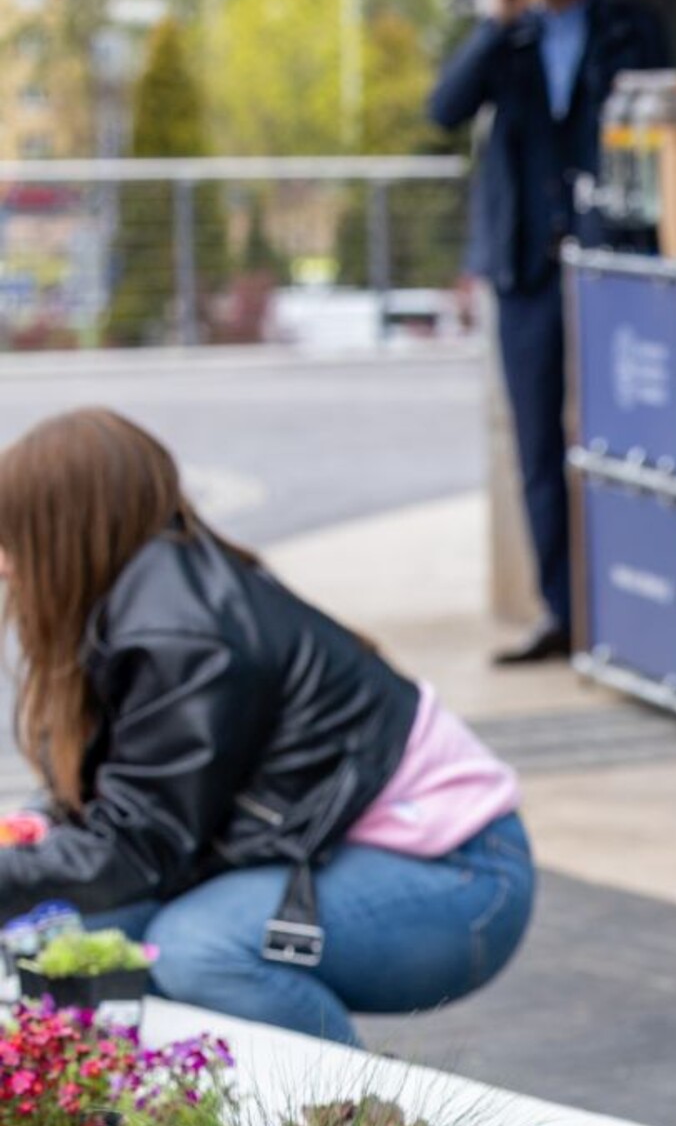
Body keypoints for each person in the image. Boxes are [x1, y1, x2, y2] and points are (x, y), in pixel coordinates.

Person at [0, 411, 535, 1047]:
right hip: (358, 852)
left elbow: (137, 847)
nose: (5, 566)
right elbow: (130, 807)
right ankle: (187, 1120)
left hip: (462, 877)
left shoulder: (184, 636)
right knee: (74, 933)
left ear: (63, 532)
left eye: (12, 540)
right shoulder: (150, 602)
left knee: (195, 950)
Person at [429, 0, 670, 666]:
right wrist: (492, 27)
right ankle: (562, 612)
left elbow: (662, 120)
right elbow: (444, 110)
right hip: (525, 265)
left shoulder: (628, 25)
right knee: (538, 445)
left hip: (615, 259)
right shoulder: (508, 34)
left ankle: (633, 606)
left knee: (628, 434)